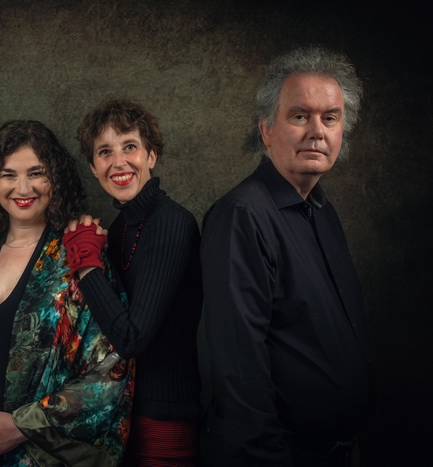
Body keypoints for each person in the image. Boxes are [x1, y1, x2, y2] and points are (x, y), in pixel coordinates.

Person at [200, 47, 376, 466]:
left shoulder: (321, 209)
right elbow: (240, 367)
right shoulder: (242, 215)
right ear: (266, 130)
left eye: (329, 118)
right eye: (300, 116)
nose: (317, 131)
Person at [0, 120, 133, 467]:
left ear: (54, 180)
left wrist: (21, 425)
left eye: (36, 173)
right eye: (8, 174)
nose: (22, 187)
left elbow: (112, 370)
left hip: (37, 453)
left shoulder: (78, 258)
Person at [64, 99, 202, 466]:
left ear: (151, 156)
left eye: (130, 147)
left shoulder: (172, 222)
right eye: (105, 152)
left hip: (164, 414)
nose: (119, 162)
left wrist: (86, 265)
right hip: (120, 410)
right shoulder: (121, 227)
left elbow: (130, 337)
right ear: (94, 168)